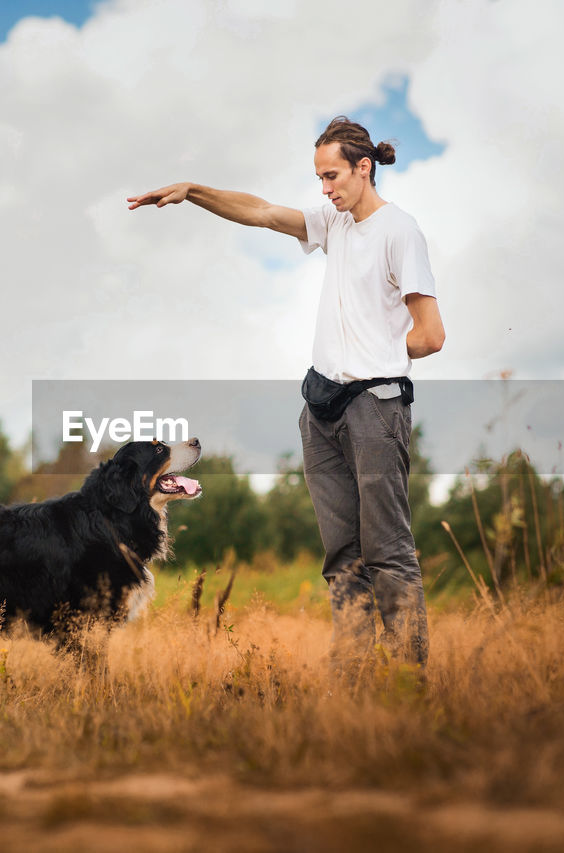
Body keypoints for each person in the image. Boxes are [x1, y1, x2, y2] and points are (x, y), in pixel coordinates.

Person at [127, 116, 445, 671]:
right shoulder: (334, 223)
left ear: (363, 168)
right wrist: (195, 192)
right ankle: (352, 680)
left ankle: (407, 682)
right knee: (342, 555)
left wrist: (378, 355)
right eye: (319, 178)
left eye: (332, 176)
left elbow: (431, 335)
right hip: (321, 411)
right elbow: (264, 212)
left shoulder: (400, 232)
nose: (325, 189)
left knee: (387, 553)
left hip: (376, 407)